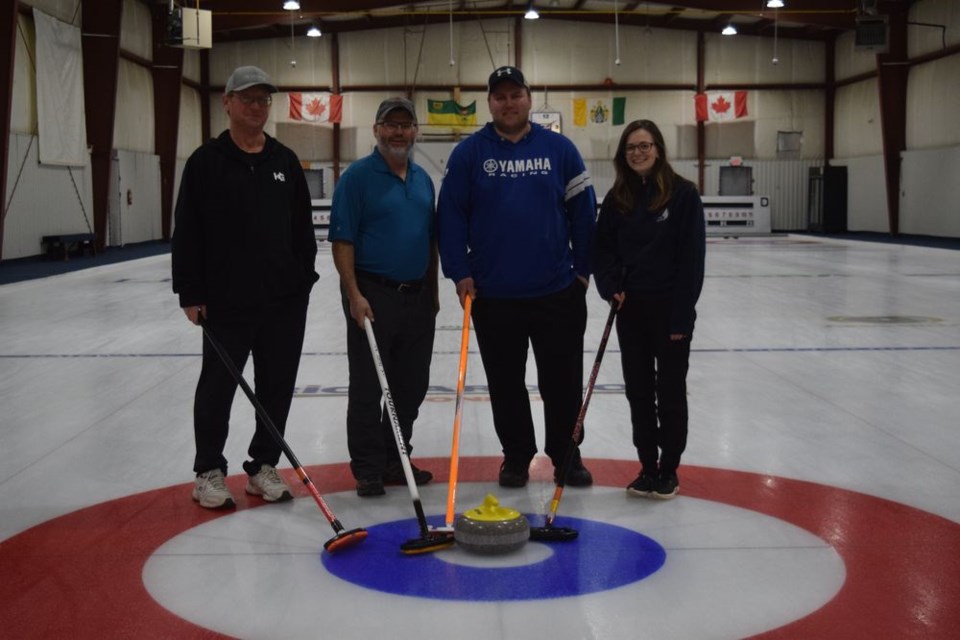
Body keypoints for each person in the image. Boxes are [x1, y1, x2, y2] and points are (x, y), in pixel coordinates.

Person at [437, 66, 597, 489]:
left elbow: (584, 214)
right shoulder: (470, 154)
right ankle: (516, 456)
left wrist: (582, 272)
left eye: (516, 95)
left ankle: (566, 455)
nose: (508, 103)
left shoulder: (560, 149)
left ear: (529, 98)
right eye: (500, 96)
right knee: (505, 383)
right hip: (493, 295)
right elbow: (450, 217)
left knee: (562, 382)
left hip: (557, 292)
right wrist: (459, 272)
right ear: (490, 103)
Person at [171, 65, 319, 509]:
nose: (257, 107)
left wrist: (301, 281)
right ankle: (209, 470)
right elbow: (187, 231)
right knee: (217, 387)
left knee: (275, 386)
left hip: (282, 303)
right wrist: (190, 292)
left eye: (263, 100)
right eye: (248, 99)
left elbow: (302, 232)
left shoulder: (284, 161)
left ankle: (262, 466)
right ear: (228, 103)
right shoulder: (206, 162)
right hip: (225, 303)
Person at [329, 97, 439, 497]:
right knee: (368, 386)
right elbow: (342, 241)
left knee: (411, 385)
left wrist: (434, 295)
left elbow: (430, 241)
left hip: (417, 297)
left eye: (405, 125)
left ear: (415, 132)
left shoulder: (424, 180)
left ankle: (396, 458)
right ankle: (369, 467)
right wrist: (353, 294)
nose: (398, 132)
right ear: (376, 130)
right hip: (372, 294)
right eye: (390, 125)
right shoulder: (358, 178)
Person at [592, 119, 705, 500]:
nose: (638, 153)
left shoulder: (683, 195)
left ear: (658, 149)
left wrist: (681, 317)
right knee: (638, 392)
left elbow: (691, 261)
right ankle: (647, 465)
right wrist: (611, 288)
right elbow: (602, 249)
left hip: (670, 312)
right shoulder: (617, 198)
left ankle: (669, 468)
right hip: (632, 310)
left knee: (670, 392)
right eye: (631, 148)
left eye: (645, 145)